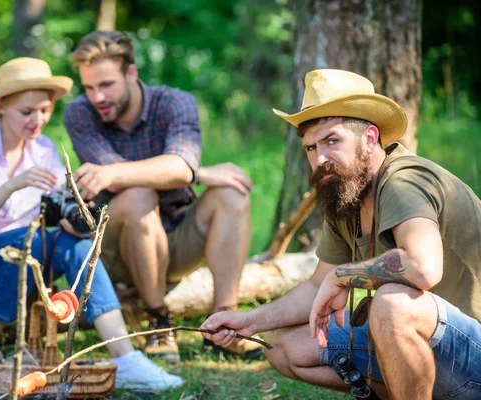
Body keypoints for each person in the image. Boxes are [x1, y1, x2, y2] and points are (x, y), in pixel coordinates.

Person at [201, 68, 481, 399]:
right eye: (310, 148)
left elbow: (423, 267)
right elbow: (318, 285)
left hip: (471, 352)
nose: (320, 159)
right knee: (281, 345)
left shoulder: (405, 181)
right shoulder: (345, 192)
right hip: (433, 351)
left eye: (332, 141)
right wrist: (250, 321)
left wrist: (343, 275)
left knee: (392, 304)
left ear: (370, 138)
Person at [0, 57, 182, 391]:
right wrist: (14, 184)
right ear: (0, 106)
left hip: (21, 271)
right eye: (27, 112)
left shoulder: (45, 150)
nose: (37, 120)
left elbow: (55, 211)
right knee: (31, 237)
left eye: (45, 110)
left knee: (74, 243)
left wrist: (73, 217)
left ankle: (124, 356)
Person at [63, 30, 262, 364]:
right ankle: (158, 322)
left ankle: (225, 322)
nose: (97, 97)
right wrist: (191, 172)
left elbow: (176, 166)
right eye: (89, 88)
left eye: (106, 85)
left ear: (131, 74)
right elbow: (118, 179)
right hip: (116, 247)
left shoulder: (174, 102)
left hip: (175, 233)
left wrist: (188, 171)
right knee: (136, 192)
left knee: (231, 192)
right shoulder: (79, 114)